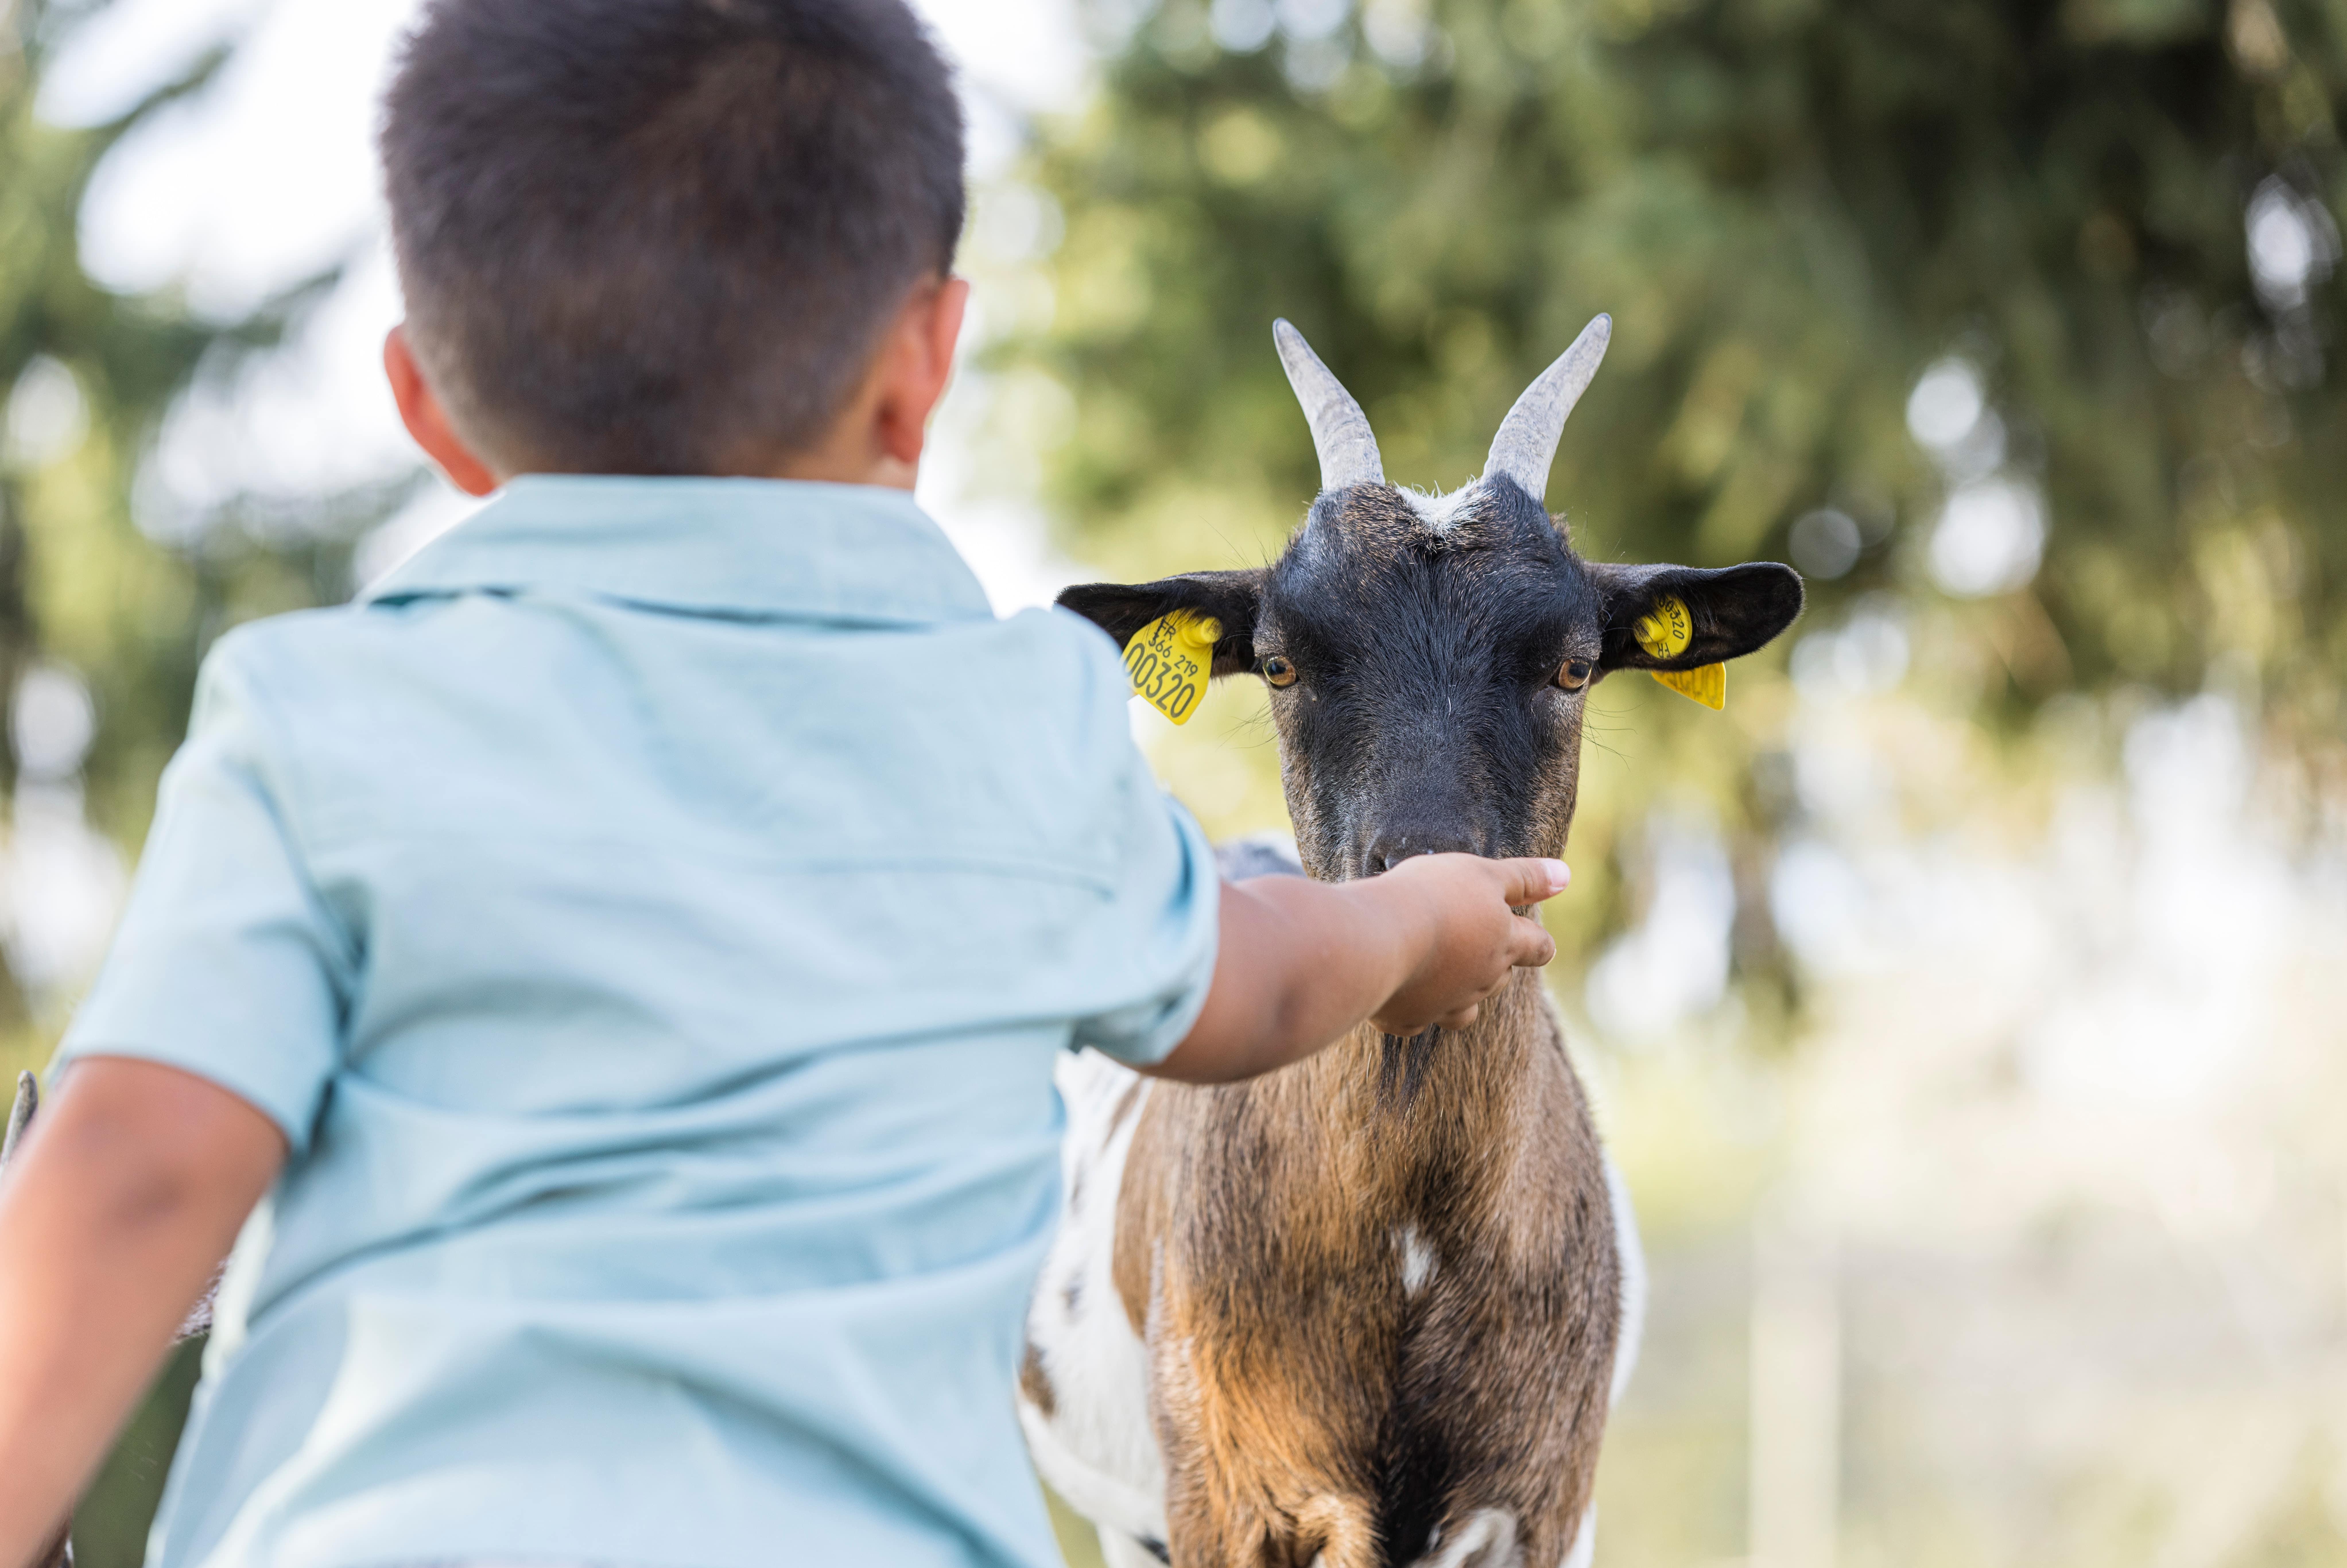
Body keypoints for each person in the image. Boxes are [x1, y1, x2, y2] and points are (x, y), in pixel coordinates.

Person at [0, 2, 1569, 1565]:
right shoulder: (1004, 718)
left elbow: (129, 1175)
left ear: (427, 409)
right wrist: (1414, 923)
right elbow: (1255, 987)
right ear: (922, 366)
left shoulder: (311, 723)